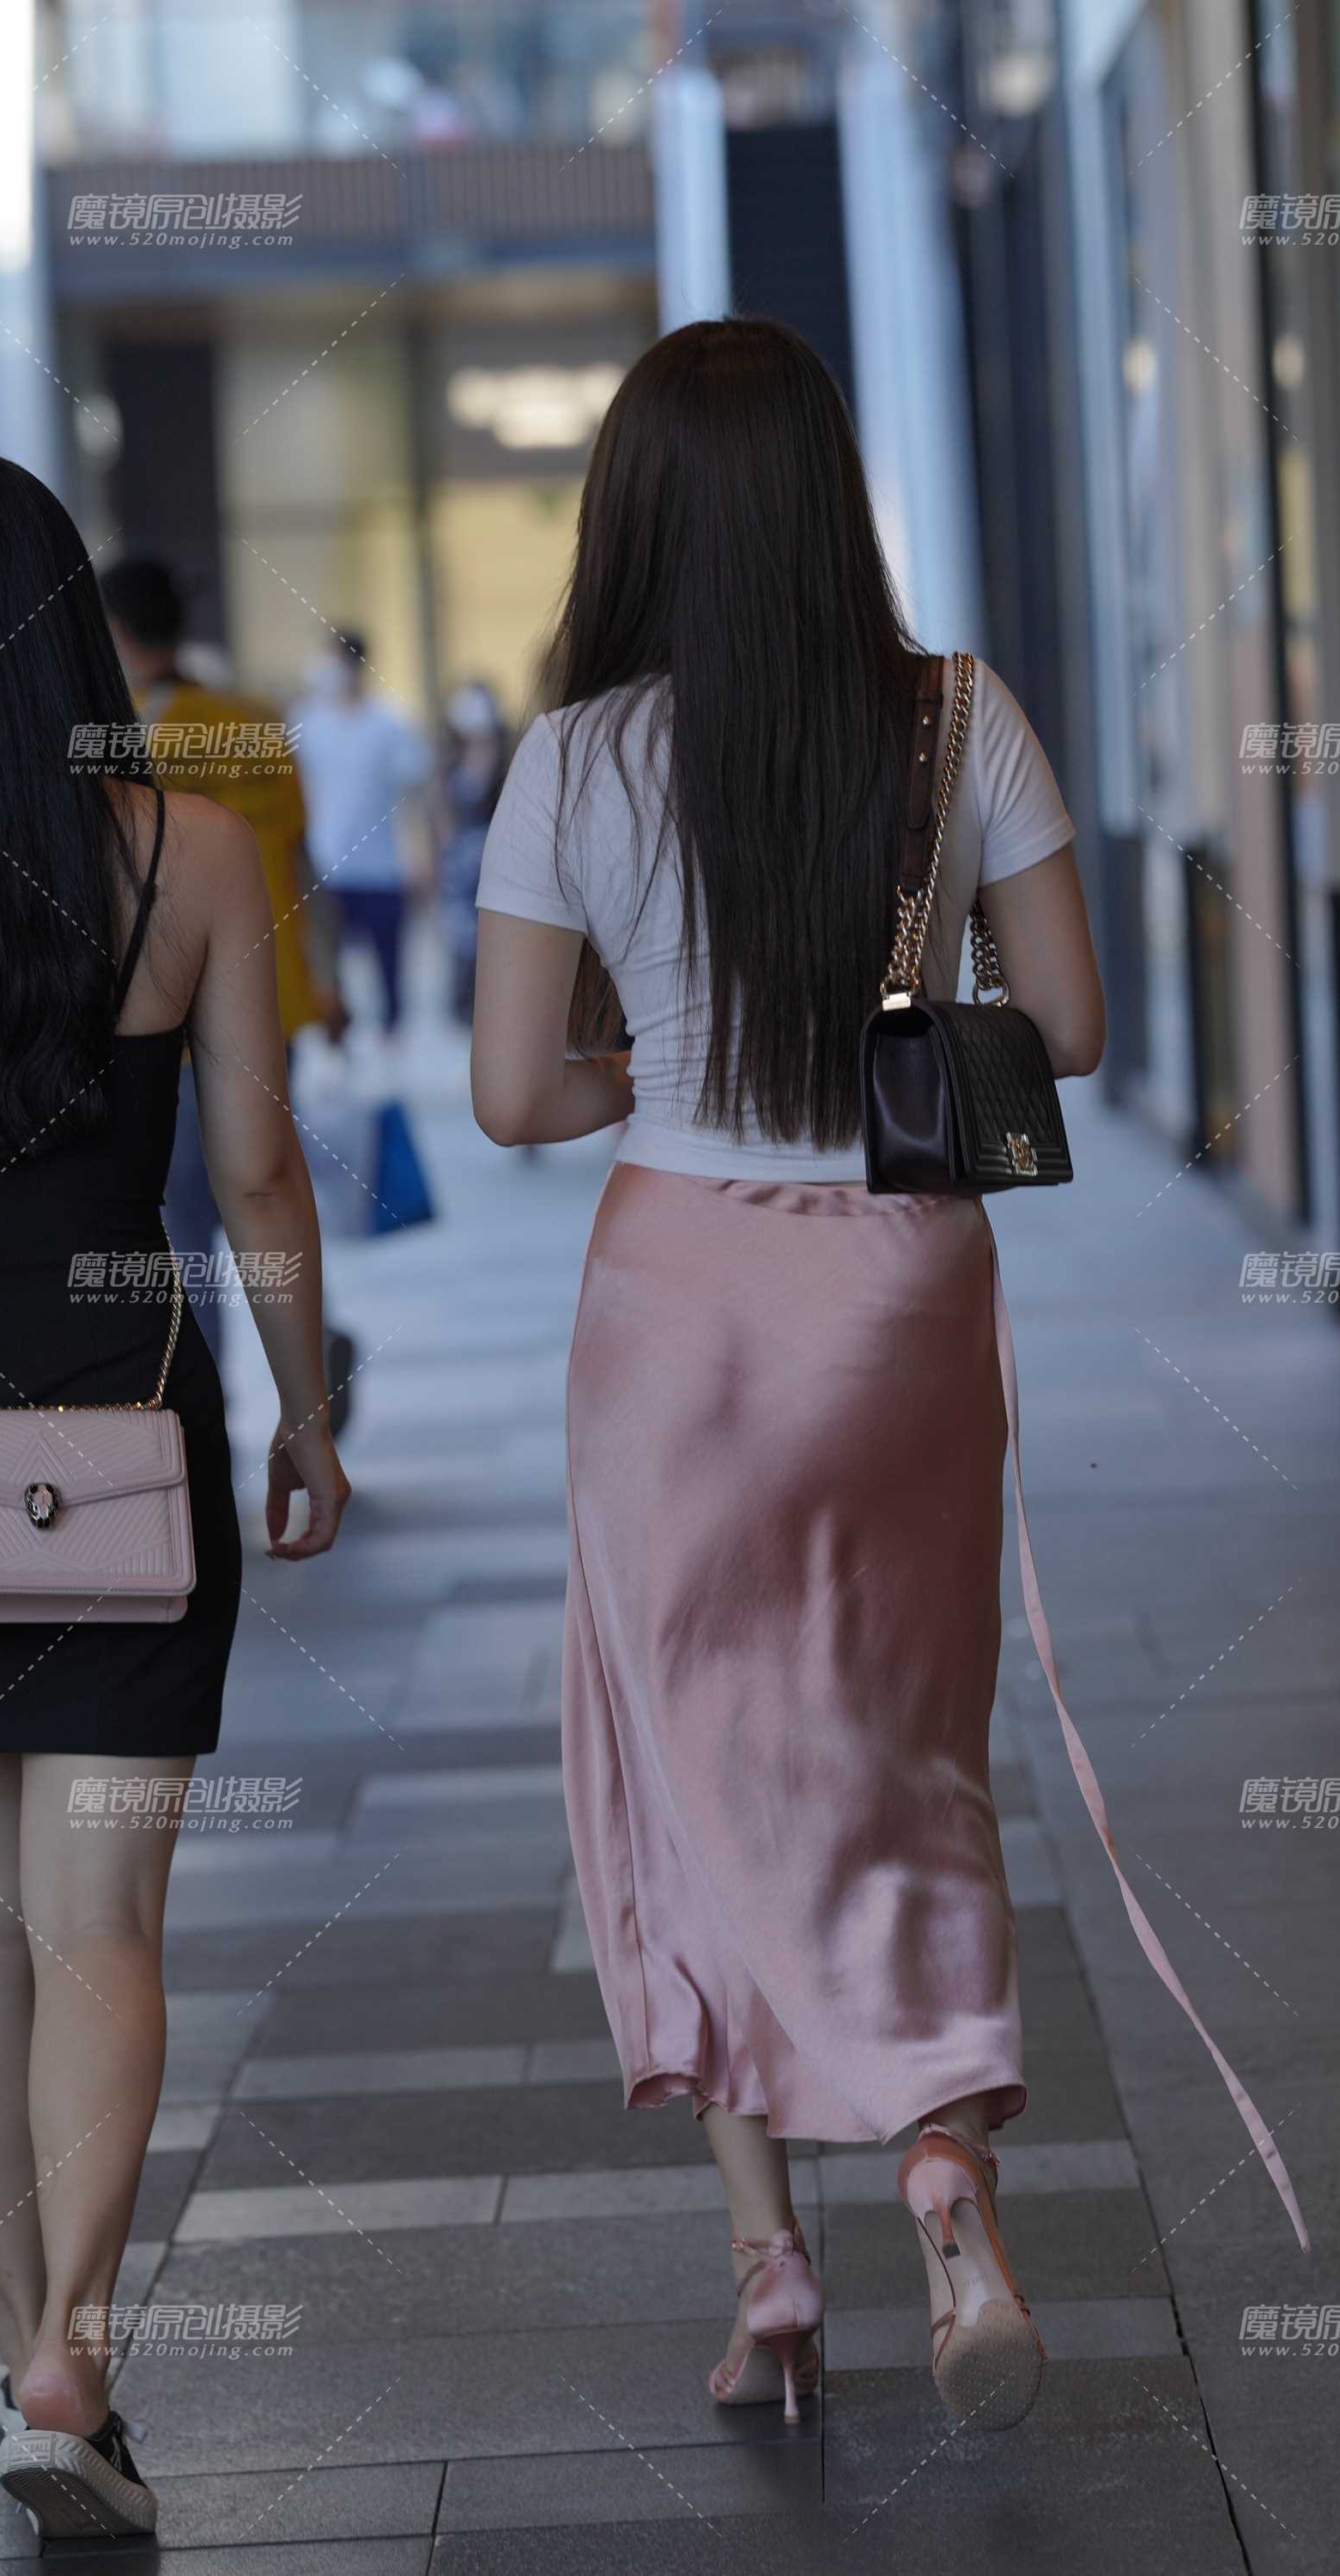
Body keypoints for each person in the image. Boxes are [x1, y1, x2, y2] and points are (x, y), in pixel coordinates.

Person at [470, 316, 1108, 2435]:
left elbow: (509, 1096)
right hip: (898, 1293)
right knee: (907, 1748)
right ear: (831, 499)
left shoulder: (574, 759)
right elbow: (1072, 1027)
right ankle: (941, 2162)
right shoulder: (957, 716)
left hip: (675, 1304)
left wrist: (658, 1059)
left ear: (633, 515)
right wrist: (907, 972)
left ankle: (767, 2261)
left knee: (686, 1760)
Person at [0, 457, 350, 2541]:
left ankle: (28, 2349)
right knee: (97, 1923)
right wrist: (307, 1412)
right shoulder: (190, 853)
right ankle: (73, 2354)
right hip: (112, 1434)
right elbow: (256, 1172)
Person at [99, 559, 349, 1379]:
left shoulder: (122, 743)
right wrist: (330, 981)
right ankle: (312, 1348)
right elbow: (305, 864)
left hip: (171, 1012)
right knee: (270, 1185)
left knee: (183, 1227)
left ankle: (208, 1411)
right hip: (275, 1001)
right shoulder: (258, 722)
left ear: (115, 630)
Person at [289, 631, 432, 1031]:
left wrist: (420, 854)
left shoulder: (390, 723)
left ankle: (392, 1036)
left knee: (388, 962)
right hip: (325, 863)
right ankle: (338, 1037)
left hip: (381, 866)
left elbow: (414, 794)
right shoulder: (306, 722)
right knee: (326, 963)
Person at [434, 679, 511, 1024]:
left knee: (494, 947)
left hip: (496, 869)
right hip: (459, 874)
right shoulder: (448, 765)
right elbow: (440, 816)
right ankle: (464, 1011)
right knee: (461, 945)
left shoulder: (507, 763)